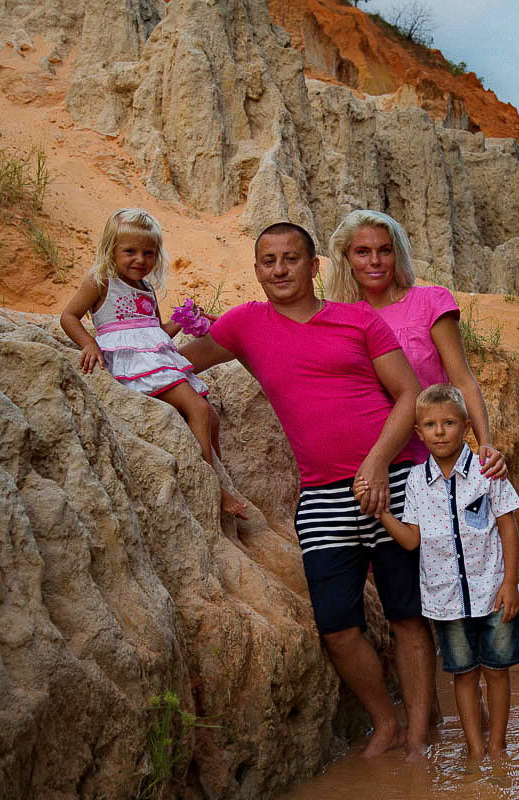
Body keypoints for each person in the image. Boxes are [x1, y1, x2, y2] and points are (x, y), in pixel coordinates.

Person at [178, 222, 437, 758]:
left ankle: (416, 739)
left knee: (406, 614)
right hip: (321, 495)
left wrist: (377, 462)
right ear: (256, 271)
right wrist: (114, 337)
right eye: (268, 261)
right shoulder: (246, 324)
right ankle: (383, 723)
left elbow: (410, 393)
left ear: (314, 266)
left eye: (291, 259)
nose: (279, 269)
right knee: (337, 627)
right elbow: (177, 359)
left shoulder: (357, 317)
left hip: (393, 481)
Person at [354, 383, 519, 761]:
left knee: (497, 671)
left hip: (493, 591)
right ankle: (475, 750)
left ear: (465, 426)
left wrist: (511, 583)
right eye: (430, 425)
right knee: (463, 675)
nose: (440, 431)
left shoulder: (486, 470)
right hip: (446, 602)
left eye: (448, 423)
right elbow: (412, 541)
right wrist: (381, 512)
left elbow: (508, 527)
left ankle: (497, 748)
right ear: (418, 432)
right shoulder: (415, 482)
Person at [59, 208, 247, 518]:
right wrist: (89, 343)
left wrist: (182, 321)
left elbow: (155, 333)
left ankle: (218, 470)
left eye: (148, 253)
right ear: (111, 250)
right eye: (130, 251)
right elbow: (68, 316)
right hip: (133, 367)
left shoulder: (146, 289)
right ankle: (211, 485)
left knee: (210, 417)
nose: (140, 260)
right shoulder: (101, 280)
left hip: (156, 362)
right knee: (197, 409)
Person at [324, 209, 506, 479]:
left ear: (397, 254)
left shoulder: (429, 302)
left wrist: (486, 443)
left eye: (384, 250)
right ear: (346, 258)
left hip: (433, 458)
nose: (375, 261)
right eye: (362, 252)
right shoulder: (340, 319)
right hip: (369, 464)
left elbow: (462, 379)